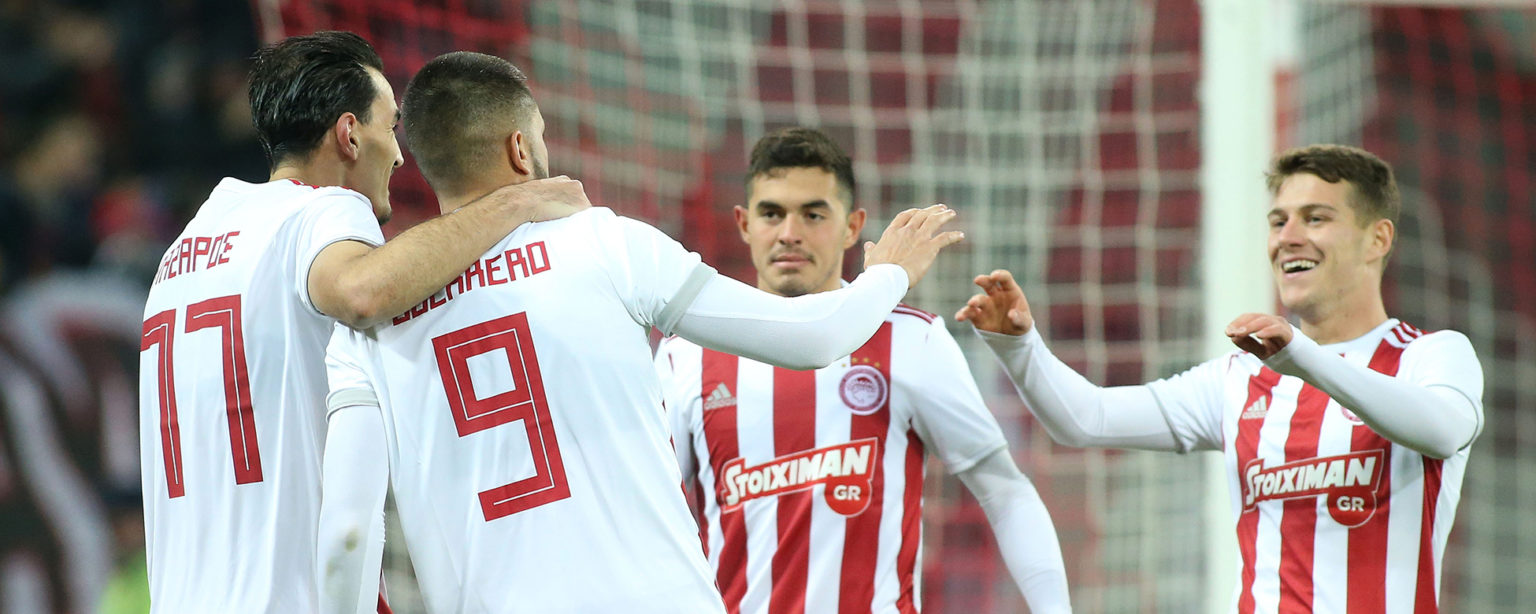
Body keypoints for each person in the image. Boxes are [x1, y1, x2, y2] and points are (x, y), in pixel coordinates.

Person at [315, 52, 961, 614]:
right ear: (520, 149)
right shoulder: (603, 242)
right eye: (540, 137)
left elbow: (347, 534)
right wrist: (890, 273)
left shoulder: (362, 328)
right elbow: (813, 338)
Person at [136, 32, 587, 614]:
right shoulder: (321, 210)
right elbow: (362, 292)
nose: (399, 155)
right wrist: (515, 202)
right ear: (349, 134)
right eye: (391, 127)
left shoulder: (185, 248)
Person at [957, 144, 1483, 613]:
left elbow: (1442, 431)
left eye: (1315, 218)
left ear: (1377, 239)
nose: (1288, 238)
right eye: (1278, 222)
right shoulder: (1240, 380)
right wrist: (1019, 347)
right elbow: (1086, 420)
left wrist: (1304, 359)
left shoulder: (1430, 355)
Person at [654, 127, 1072, 614]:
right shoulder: (687, 356)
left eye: (813, 214)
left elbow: (1004, 491)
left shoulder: (910, 339)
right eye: (772, 214)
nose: (789, 232)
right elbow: (651, 512)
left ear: (853, 226)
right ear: (744, 224)